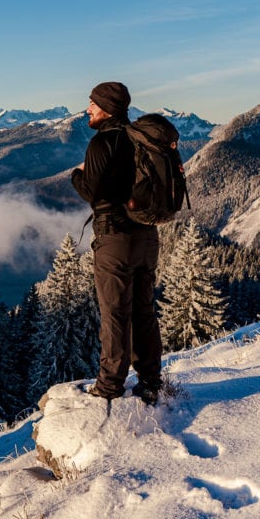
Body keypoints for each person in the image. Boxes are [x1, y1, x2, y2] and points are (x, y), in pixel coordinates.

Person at [71, 82, 163, 405]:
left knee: (115, 314)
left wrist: (76, 175)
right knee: (143, 311)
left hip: (115, 239)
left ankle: (109, 386)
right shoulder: (140, 138)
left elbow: (92, 192)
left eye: (93, 104)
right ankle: (150, 381)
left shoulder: (102, 142)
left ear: (107, 108)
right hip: (147, 237)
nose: (88, 109)